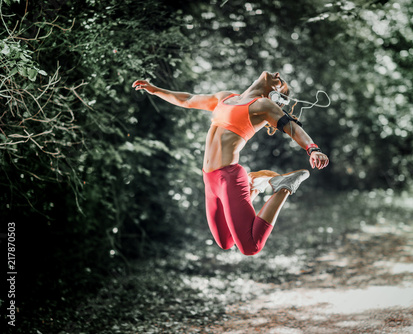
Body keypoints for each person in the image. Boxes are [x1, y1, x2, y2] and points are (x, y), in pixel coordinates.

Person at [132, 71, 329, 255]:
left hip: (229, 176)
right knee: (225, 242)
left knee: (251, 247)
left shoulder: (263, 106)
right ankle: (255, 185)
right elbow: (188, 99)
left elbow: (292, 127)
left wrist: (313, 149)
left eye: (280, 83)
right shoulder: (225, 97)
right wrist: (155, 90)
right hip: (209, 180)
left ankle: (284, 186)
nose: (278, 75)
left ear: (274, 94)